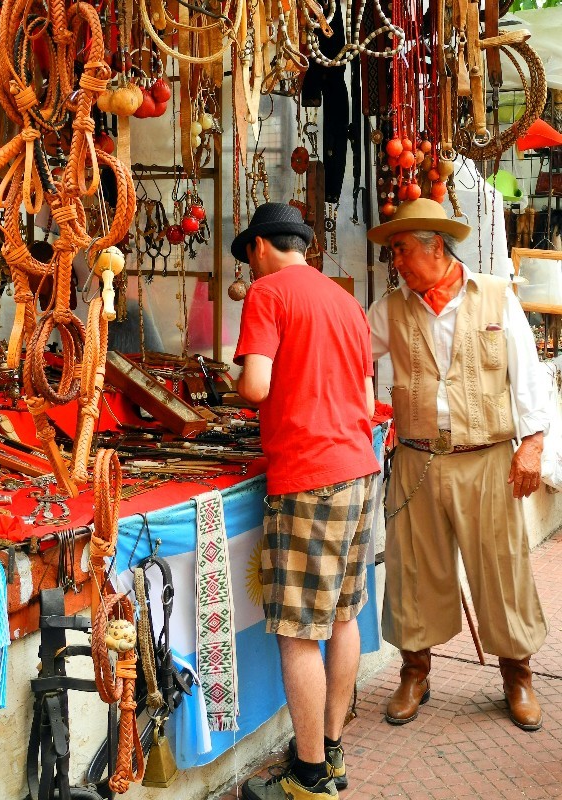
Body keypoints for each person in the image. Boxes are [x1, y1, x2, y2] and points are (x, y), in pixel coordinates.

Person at [366, 198, 549, 733]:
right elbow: (352, 350)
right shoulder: (392, 307)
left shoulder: (494, 295)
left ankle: (518, 676)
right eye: (394, 251)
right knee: (413, 569)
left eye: (401, 249)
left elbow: (528, 373)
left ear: (435, 246)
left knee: (502, 566)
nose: (395, 260)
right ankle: (414, 672)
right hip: (417, 460)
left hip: (488, 458)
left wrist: (533, 442)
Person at [232, 203, 380, 800]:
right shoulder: (345, 300)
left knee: (298, 631)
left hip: (308, 475)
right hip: (358, 467)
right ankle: (332, 750)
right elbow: (367, 398)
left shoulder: (267, 294)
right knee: (343, 617)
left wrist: (236, 379)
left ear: (260, 248)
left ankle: (310, 776)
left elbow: (255, 387)